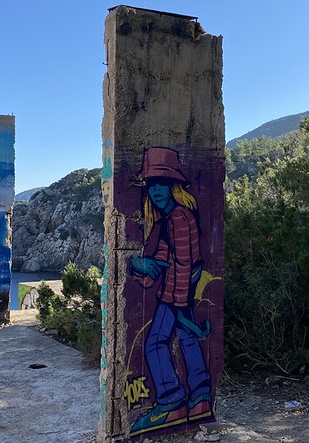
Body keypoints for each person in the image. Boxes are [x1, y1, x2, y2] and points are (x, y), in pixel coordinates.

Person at [128, 146, 212, 436]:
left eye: (163, 184)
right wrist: (142, 266)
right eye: (152, 185)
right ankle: (200, 396)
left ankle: (171, 398)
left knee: (155, 344)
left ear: (173, 186)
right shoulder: (168, 221)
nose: (157, 191)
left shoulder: (178, 218)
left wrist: (176, 304)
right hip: (178, 291)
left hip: (179, 292)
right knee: (188, 338)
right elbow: (165, 262)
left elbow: (186, 264)